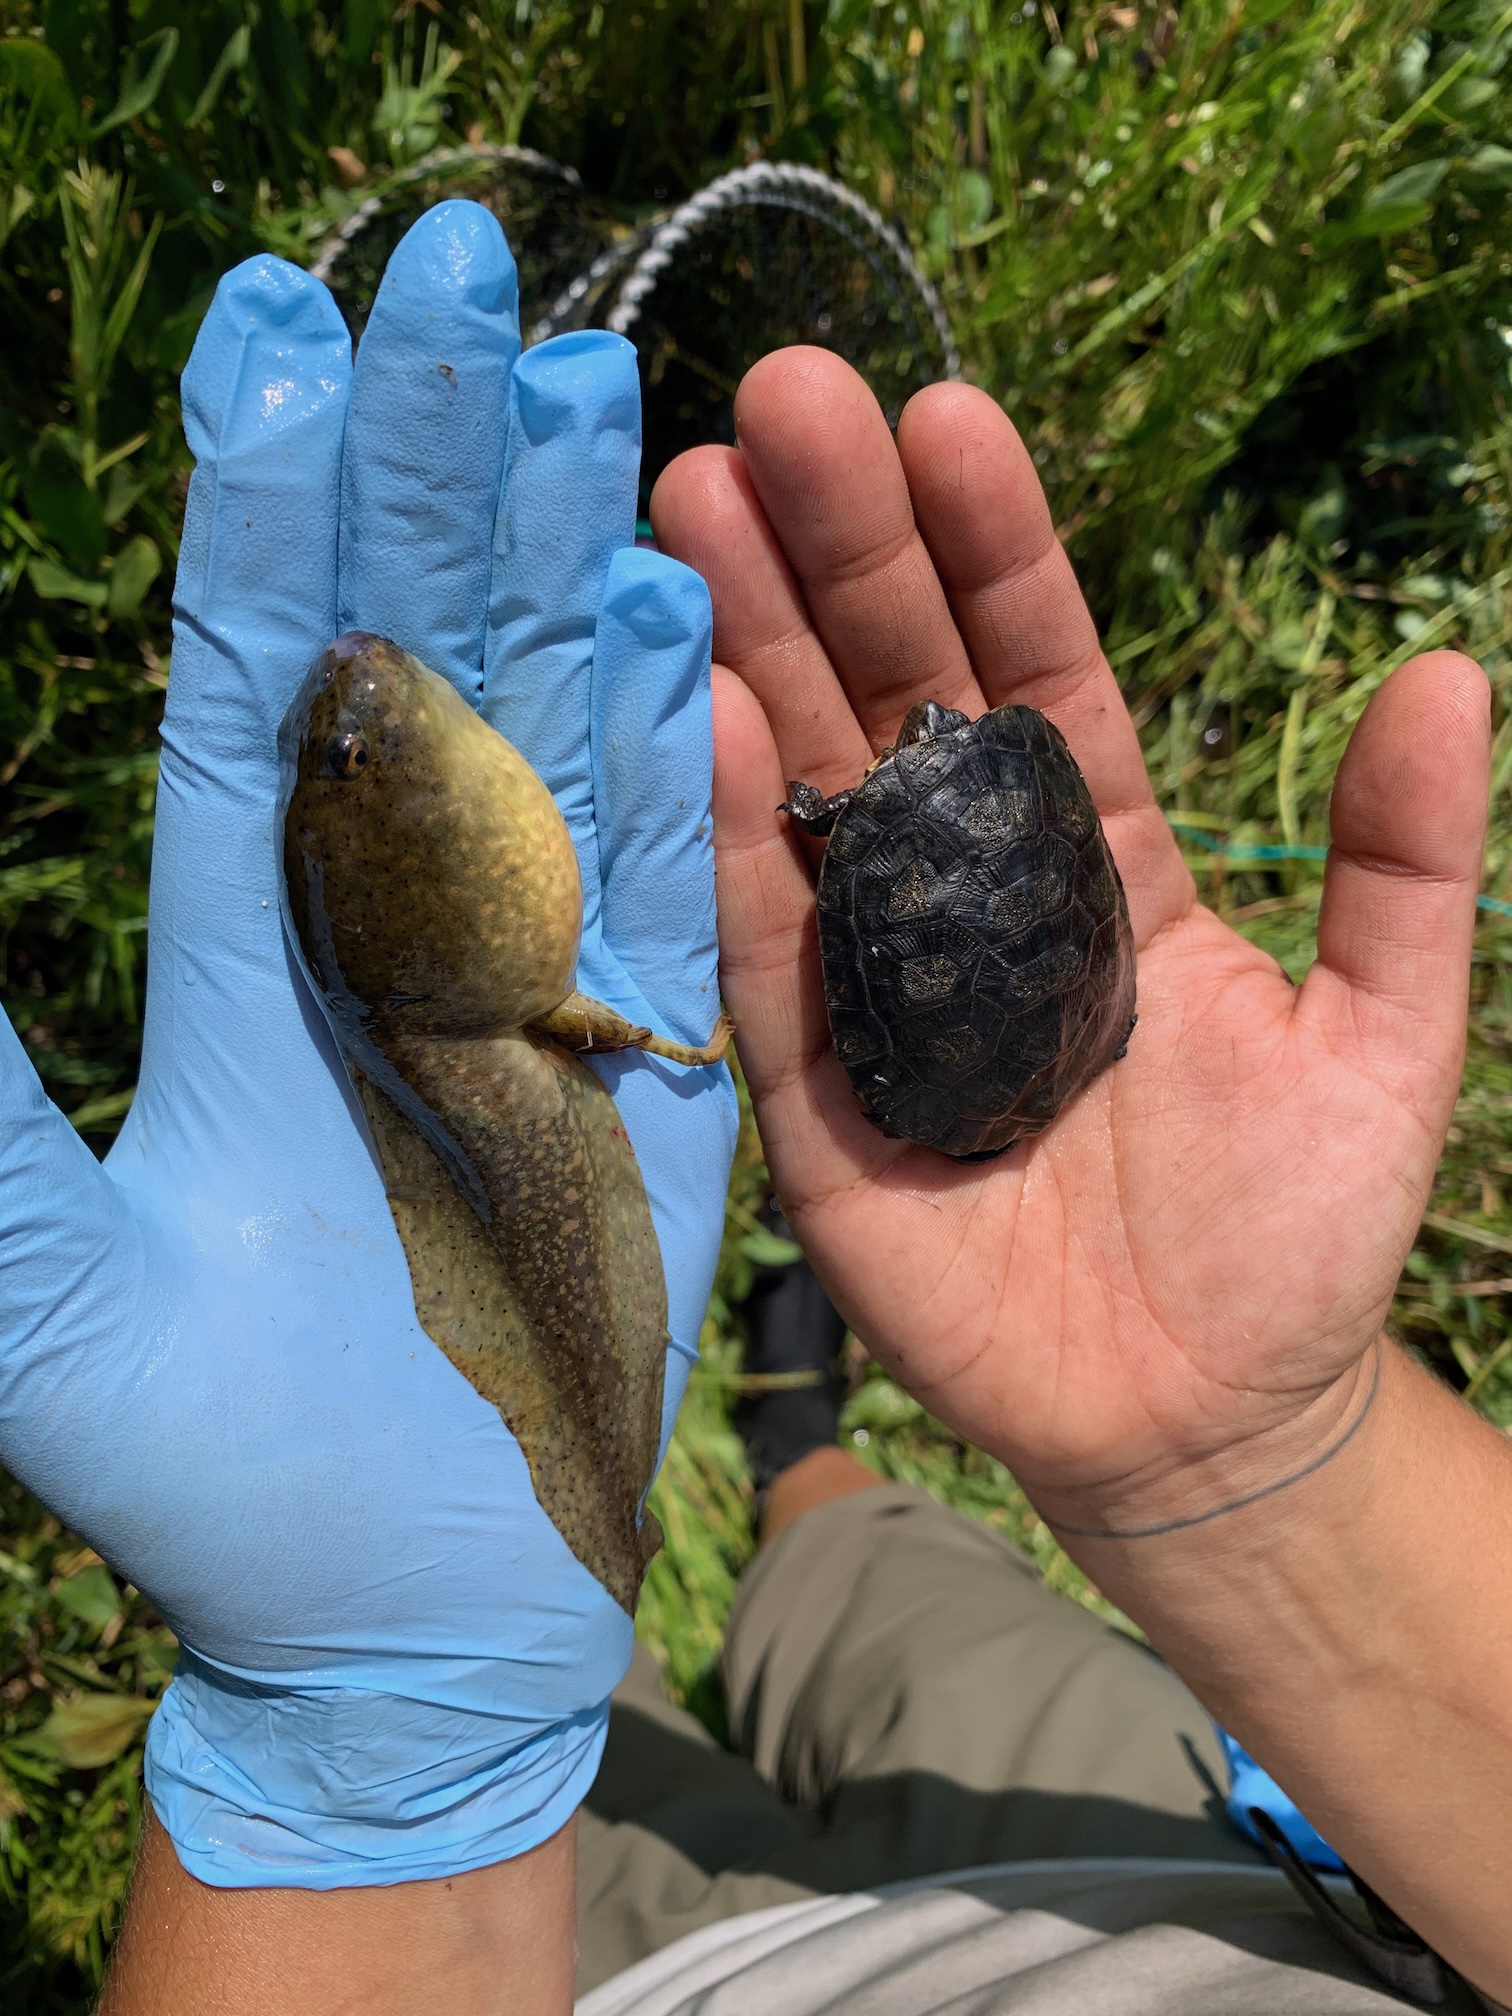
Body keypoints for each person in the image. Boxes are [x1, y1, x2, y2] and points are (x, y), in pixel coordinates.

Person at [0, 197, 1506, 2012]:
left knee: (603, 1767)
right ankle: (806, 1463)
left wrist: (395, 1792)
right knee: (899, 1587)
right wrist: (1268, 1472)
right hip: (1261, 1857)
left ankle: (656, 1602)